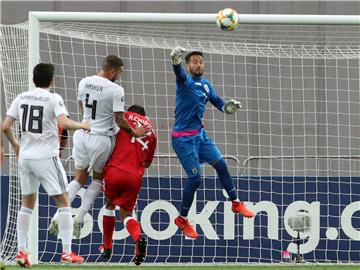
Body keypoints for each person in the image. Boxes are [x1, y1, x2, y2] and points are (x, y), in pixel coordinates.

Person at [49, 55, 150, 238]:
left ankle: (57, 215)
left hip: (82, 133)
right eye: (119, 72)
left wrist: (91, 121)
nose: (119, 75)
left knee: (79, 178)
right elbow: (119, 119)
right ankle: (79, 218)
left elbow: (82, 106)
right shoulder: (116, 89)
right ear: (112, 71)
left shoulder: (84, 81)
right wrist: (134, 132)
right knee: (97, 179)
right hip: (101, 139)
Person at [2, 63, 89, 267]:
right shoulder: (53, 98)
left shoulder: (21, 97)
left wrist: (16, 144)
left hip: (25, 158)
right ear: (51, 80)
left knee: (27, 204)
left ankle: (21, 252)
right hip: (46, 157)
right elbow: (65, 123)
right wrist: (83, 125)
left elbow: (5, 126)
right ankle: (67, 252)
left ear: (34, 79)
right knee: (64, 201)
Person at [170, 47, 255, 239]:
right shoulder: (185, 81)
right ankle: (182, 219)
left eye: (200, 61)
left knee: (222, 165)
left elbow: (219, 103)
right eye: (194, 62)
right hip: (183, 139)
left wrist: (228, 108)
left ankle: (236, 202)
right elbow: (178, 73)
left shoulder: (206, 85)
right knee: (195, 179)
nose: (198, 64)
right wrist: (175, 62)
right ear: (188, 65)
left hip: (200, 136)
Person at [99, 104, 156, 265]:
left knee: (109, 205)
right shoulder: (152, 131)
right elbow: (147, 163)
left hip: (116, 169)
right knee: (126, 214)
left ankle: (107, 246)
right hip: (134, 177)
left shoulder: (123, 117)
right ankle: (138, 238)